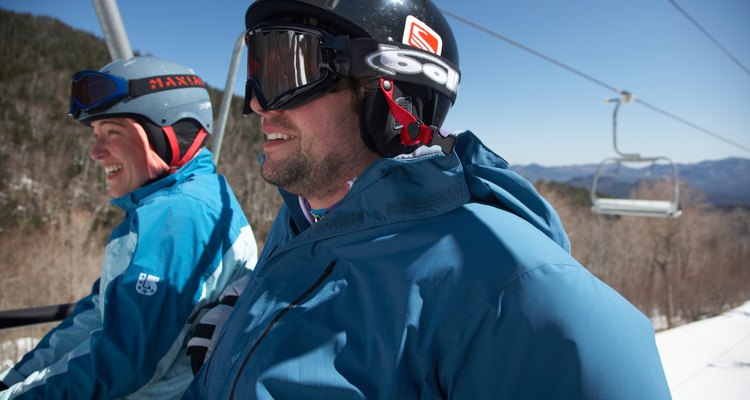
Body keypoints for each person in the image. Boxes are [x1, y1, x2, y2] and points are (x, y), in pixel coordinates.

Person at [183, 0, 672, 398]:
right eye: (257, 72)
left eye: (287, 68)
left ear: (389, 93)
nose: (255, 102)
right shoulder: (303, 226)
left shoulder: (514, 285)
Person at [0, 56, 257, 399]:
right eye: (95, 133)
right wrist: (13, 380)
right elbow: (98, 315)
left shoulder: (181, 216)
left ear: (166, 133)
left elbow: (120, 363)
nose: (95, 152)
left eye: (112, 132)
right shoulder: (160, 204)